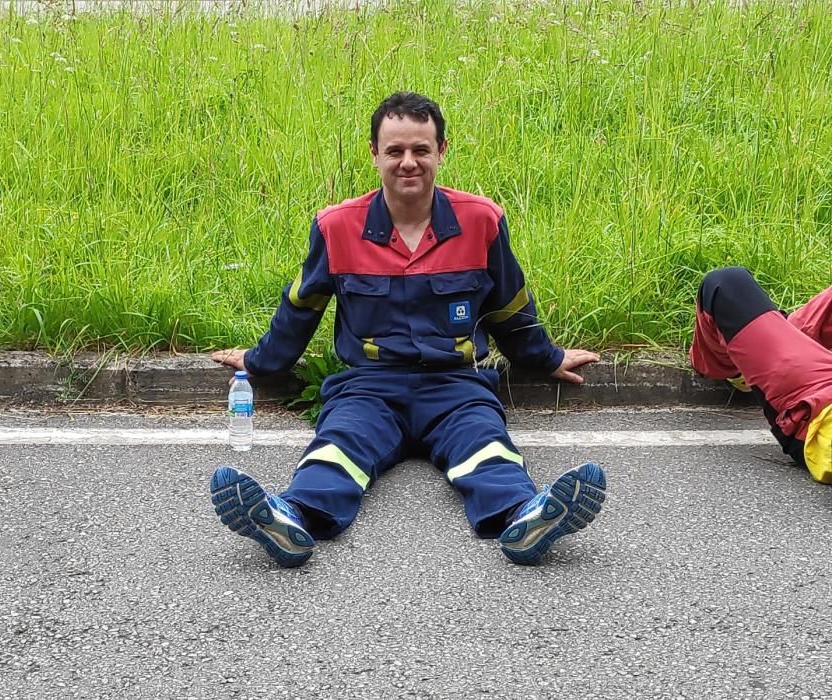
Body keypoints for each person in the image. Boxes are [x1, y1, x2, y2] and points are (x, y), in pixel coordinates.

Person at [209, 92, 607, 568]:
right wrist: (259, 362)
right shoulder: (337, 227)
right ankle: (289, 518)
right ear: (374, 154)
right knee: (338, 449)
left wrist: (546, 357)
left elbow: (509, 304)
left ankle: (526, 519)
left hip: (455, 384)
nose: (408, 163)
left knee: (487, 448)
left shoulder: (481, 220)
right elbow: (302, 307)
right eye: (395, 151)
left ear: (442, 150)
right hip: (369, 387)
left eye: (421, 150)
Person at [690, 266, 832, 483]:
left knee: (725, 284)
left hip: (817, 402)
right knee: (728, 283)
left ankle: (743, 363)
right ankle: (790, 334)